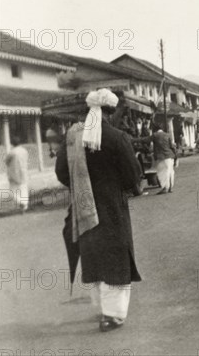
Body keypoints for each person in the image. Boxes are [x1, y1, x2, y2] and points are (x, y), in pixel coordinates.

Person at [55, 88, 142, 332]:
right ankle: (112, 315)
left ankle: (101, 310)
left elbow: (62, 172)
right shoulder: (117, 137)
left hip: (83, 208)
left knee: (94, 258)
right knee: (116, 258)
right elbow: (132, 174)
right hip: (112, 207)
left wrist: (81, 187)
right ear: (110, 112)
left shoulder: (72, 137)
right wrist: (125, 189)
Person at [137, 123, 177, 194]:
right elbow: (172, 147)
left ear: (155, 130)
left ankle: (165, 188)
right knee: (170, 172)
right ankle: (170, 188)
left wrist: (133, 140)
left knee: (162, 172)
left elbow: (145, 140)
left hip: (161, 157)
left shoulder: (155, 135)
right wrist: (175, 156)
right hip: (170, 156)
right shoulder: (167, 135)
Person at [5, 136, 29, 213]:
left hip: (14, 173)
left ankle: (21, 202)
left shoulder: (12, 152)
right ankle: (24, 205)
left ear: (12, 143)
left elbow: (6, 161)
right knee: (23, 189)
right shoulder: (24, 151)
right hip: (23, 173)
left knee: (13, 191)